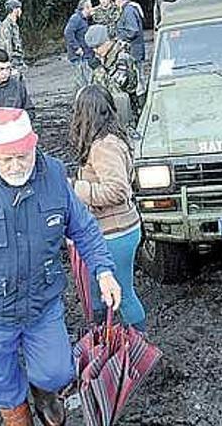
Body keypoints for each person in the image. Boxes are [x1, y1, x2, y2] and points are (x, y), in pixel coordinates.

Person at [0, 108, 121, 426]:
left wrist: (104, 270)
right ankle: (19, 417)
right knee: (3, 385)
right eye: (6, 160)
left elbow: (82, 228)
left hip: (41, 304)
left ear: (34, 146)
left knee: (58, 371)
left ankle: (45, 391)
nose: (16, 166)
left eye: (23, 157)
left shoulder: (54, 176)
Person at [69, 84, 146, 331]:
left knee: (122, 293)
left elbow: (117, 190)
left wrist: (76, 188)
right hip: (115, 229)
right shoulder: (108, 140)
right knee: (104, 293)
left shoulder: (104, 146)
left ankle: (140, 348)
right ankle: (106, 341)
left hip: (116, 232)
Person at [84, 24, 140, 121]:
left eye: (98, 46)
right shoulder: (105, 57)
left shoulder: (122, 58)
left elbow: (117, 89)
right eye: (93, 48)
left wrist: (98, 70)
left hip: (124, 114)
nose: (95, 51)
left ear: (108, 41)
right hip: (107, 112)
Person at [64, 0, 94, 90]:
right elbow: (68, 33)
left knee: (88, 80)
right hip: (79, 56)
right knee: (83, 83)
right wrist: (76, 47)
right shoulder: (76, 18)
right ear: (86, 8)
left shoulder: (85, 19)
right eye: (91, 7)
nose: (92, 9)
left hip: (86, 54)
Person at [0, 0, 26, 76]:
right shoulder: (6, 26)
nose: (20, 11)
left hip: (18, 61)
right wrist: (10, 67)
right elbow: (7, 48)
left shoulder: (14, 25)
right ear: (14, 10)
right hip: (13, 63)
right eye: (19, 8)